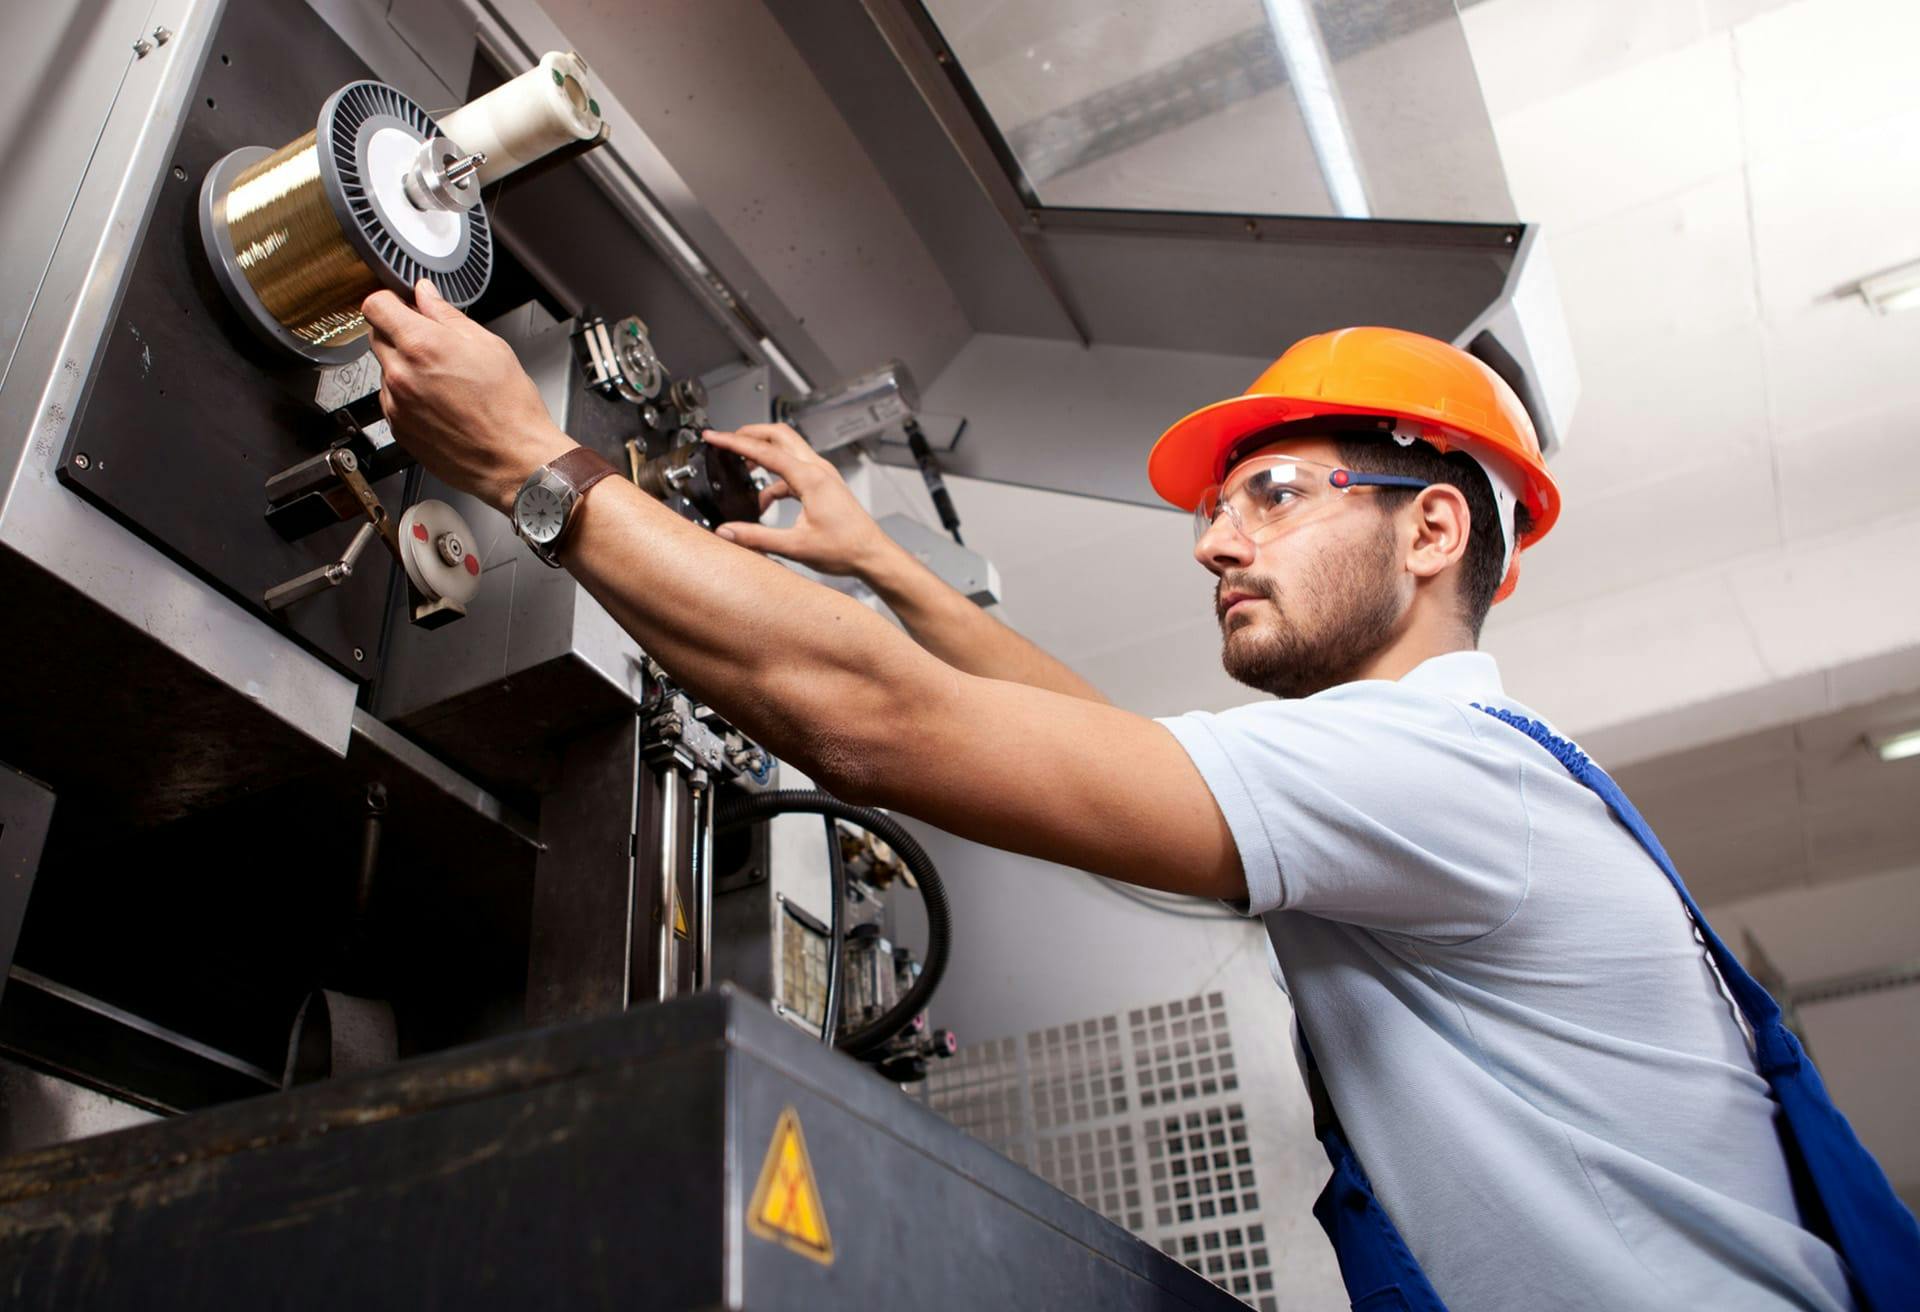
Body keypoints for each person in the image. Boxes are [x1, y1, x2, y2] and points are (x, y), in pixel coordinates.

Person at [362, 282, 1914, 1311]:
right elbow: (1115, 753)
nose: (1212, 543)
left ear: (1436, 528)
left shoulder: (1437, 772)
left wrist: (530, 461)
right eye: (1219, 507)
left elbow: (868, 725)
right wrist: (897, 573)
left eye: (1275, 493)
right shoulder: (1449, 777)